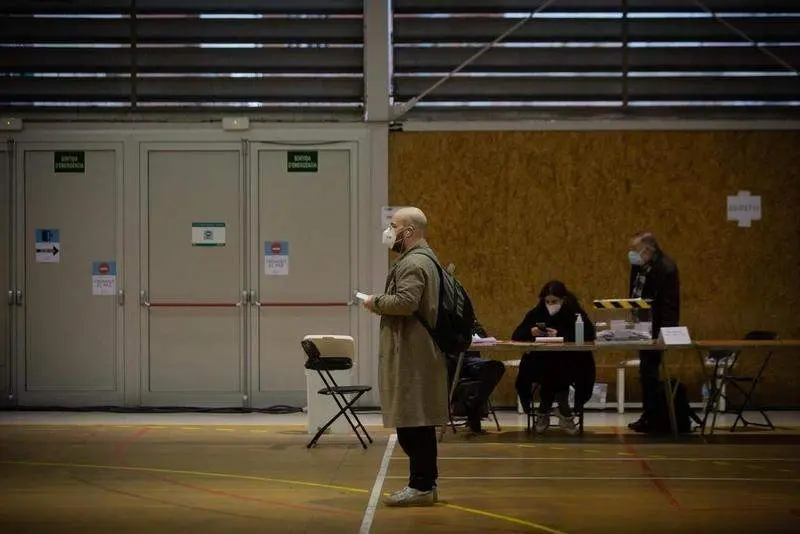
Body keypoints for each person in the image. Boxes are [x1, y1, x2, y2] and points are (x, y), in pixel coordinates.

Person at [362, 207, 448, 507]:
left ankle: (421, 486)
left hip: (413, 352)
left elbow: (406, 303)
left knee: (413, 423)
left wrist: (375, 302)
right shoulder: (427, 259)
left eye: (394, 225)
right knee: (417, 421)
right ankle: (424, 484)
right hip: (418, 350)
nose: (389, 231)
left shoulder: (413, 263)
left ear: (408, 231)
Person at [511, 280, 596, 436]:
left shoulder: (575, 313)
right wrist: (532, 332)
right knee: (551, 367)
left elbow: (590, 334)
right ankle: (564, 409)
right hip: (542, 363)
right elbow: (516, 335)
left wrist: (561, 335)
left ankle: (544, 409)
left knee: (559, 366)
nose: (550, 304)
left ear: (563, 299)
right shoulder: (537, 312)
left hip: (570, 363)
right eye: (547, 301)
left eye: (554, 301)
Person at [626, 232, 680, 433]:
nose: (631, 254)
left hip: (657, 327)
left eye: (635, 249)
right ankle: (648, 415)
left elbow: (670, 305)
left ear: (648, 250)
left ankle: (655, 417)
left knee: (651, 372)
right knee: (645, 373)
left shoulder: (666, 268)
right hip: (642, 325)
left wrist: (665, 332)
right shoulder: (639, 265)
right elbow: (634, 291)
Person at [445, 318, 506, 433]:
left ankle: (474, 403)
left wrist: (469, 329)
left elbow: (482, 334)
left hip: (471, 360)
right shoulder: (443, 317)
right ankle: (472, 408)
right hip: (452, 360)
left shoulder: (467, 315)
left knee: (497, 367)